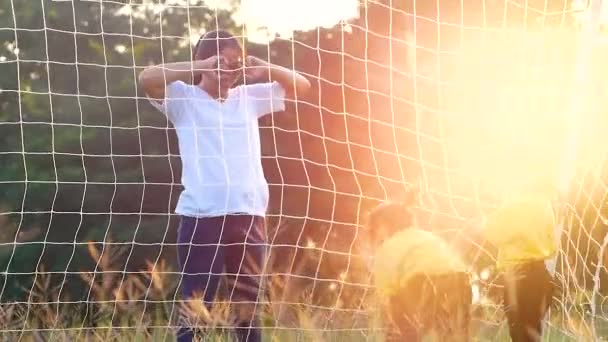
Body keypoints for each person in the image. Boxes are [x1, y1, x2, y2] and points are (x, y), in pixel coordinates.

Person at [138, 30, 311, 342]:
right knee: (196, 311)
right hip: (202, 217)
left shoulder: (248, 97)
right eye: (220, 63)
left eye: (233, 64)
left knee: (247, 313)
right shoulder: (183, 99)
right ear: (201, 62)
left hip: (249, 216)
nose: (227, 71)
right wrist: (204, 64)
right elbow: (146, 78)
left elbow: (302, 86)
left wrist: (266, 67)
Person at [366, 199, 472, 342]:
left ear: (383, 225)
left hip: (422, 281)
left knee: (398, 312)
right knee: (456, 332)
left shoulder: (388, 247)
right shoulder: (426, 236)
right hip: (460, 278)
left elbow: (387, 290)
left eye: (375, 228)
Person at [483, 188, 558, 342]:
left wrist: (488, 218)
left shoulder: (514, 205)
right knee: (531, 333)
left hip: (519, 280)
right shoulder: (544, 204)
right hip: (542, 276)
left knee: (521, 335)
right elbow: (551, 239)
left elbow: (494, 233)